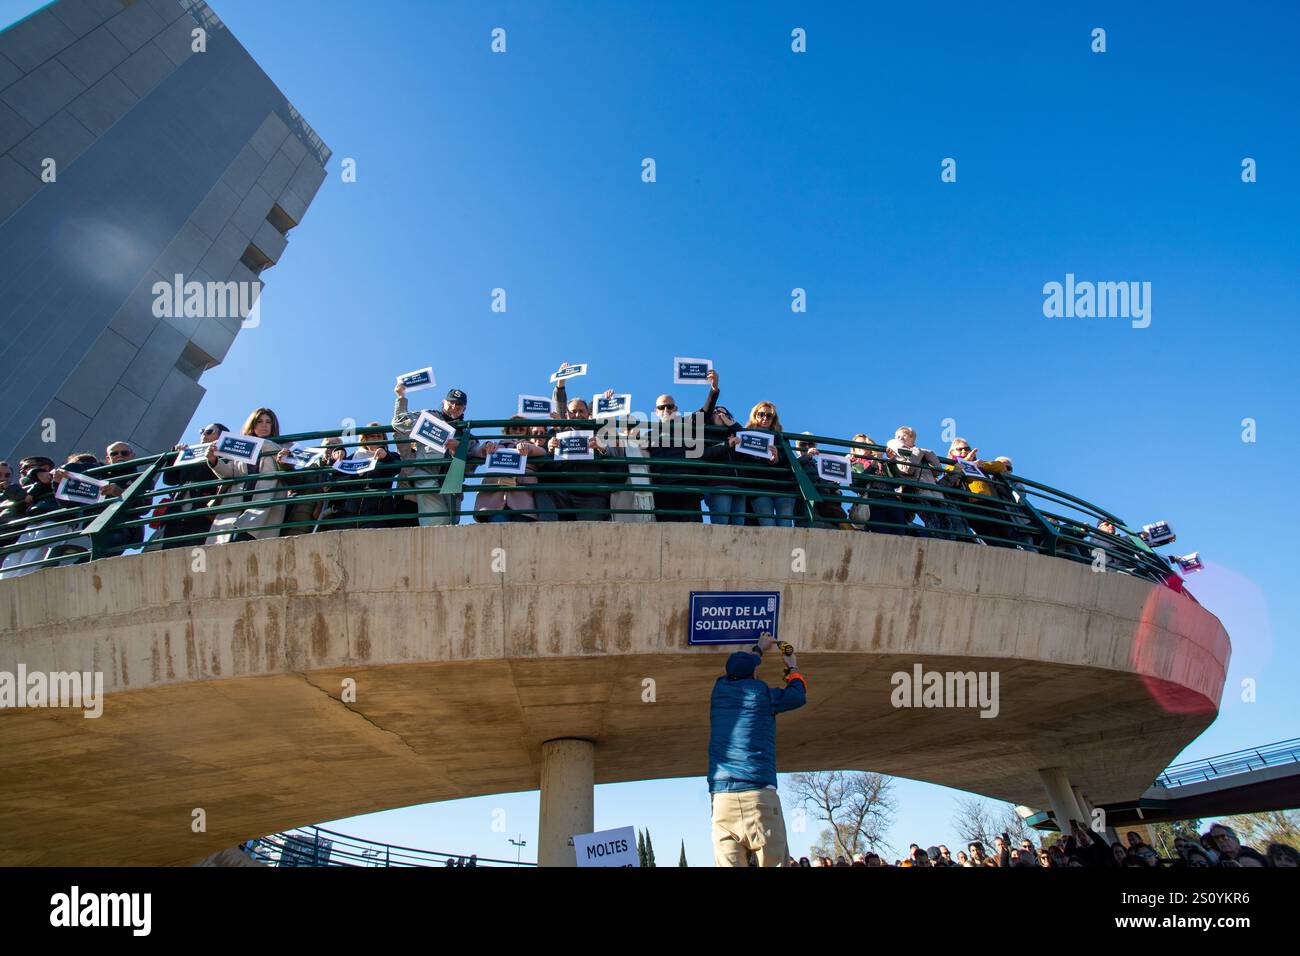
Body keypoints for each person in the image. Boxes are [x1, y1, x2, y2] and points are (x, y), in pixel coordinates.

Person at [707, 632, 807, 867]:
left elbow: (738, 671)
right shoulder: (762, 694)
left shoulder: (718, 690)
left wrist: (758, 650)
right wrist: (793, 669)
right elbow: (797, 695)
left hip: (721, 800)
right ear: (754, 673)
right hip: (759, 796)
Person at [205, 407, 294, 544]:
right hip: (237, 500)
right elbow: (230, 472)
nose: (264, 425)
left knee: (246, 541)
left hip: (263, 502)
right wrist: (213, 460)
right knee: (225, 545)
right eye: (259, 421)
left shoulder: (283, 446)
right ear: (252, 424)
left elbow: (289, 472)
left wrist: (282, 459)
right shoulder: (242, 445)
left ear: (273, 426)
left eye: (268, 422)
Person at [392, 383, 477, 526]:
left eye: (459, 404)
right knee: (436, 523)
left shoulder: (467, 434)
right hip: (426, 478)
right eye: (451, 402)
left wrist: (459, 451)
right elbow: (398, 422)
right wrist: (426, 428)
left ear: (465, 409)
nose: (455, 406)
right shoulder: (429, 416)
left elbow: (470, 469)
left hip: (452, 487)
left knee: (450, 527)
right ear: (444, 402)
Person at [645, 369, 720, 522]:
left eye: (670, 406)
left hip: (687, 489)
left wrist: (713, 389)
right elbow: (624, 442)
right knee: (665, 537)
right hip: (661, 491)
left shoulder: (687, 424)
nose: (666, 409)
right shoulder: (648, 435)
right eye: (661, 407)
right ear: (656, 411)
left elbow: (705, 412)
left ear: (676, 409)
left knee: (694, 536)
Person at [886, 427, 969, 540]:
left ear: (913, 440)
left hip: (934, 494)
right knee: (932, 521)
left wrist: (929, 454)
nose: (901, 438)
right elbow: (907, 469)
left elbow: (937, 471)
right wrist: (917, 452)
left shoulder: (921, 454)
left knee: (947, 521)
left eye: (905, 436)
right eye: (898, 437)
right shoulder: (900, 455)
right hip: (918, 494)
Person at [155, 423, 228, 549]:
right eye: (202, 431)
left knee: (195, 552)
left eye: (209, 431)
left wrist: (213, 458)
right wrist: (175, 456)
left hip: (203, 511)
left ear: (221, 436)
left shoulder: (225, 456)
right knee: (169, 550)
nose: (204, 434)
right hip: (177, 511)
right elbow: (170, 480)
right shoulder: (190, 453)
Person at [944, 439, 1025, 546]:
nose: (964, 451)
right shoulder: (951, 465)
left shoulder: (980, 464)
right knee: (989, 534)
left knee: (1007, 532)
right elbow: (950, 476)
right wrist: (967, 462)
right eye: (960, 449)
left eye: (967, 449)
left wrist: (982, 465)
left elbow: (1000, 466)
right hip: (972, 505)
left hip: (993, 502)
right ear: (952, 453)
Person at [472, 418, 546, 522]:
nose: (517, 431)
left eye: (521, 429)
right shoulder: (496, 445)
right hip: (494, 501)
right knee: (497, 529)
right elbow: (475, 452)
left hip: (523, 503)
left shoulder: (530, 447)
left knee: (522, 531)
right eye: (514, 428)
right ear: (507, 430)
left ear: (526, 432)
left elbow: (542, 452)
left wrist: (528, 448)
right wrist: (486, 446)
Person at [742, 402, 796, 527]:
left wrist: (776, 459)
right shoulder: (746, 435)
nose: (765, 418)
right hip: (759, 487)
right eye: (761, 414)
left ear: (773, 419)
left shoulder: (781, 437)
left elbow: (789, 459)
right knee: (768, 526)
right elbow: (742, 460)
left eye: (769, 415)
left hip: (782, 487)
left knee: (785, 526)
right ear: (755, 416)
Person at [699, 405, 746, 525]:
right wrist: (726, 445)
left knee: (740, 529)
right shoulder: (704, 433)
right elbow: (703, 453)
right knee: (721, 527)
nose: (719, 414)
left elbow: (748, 438)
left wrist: (731, 424)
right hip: (718, 485)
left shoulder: (735, 432)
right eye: (715, 412)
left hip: (739, 486)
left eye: (722, 413)